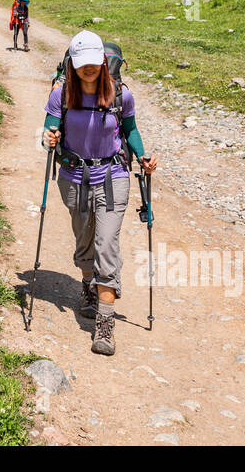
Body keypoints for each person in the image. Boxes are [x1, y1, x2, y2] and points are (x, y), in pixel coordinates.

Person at [42, 30, 158, 355]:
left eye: (94, 62)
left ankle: (105, 326)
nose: (88, 68)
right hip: (74, 175)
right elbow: (48, 131)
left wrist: (144, 155)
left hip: (113, 174)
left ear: (104, 62)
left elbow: (131, 131)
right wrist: (48, 139)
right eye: (82, 64)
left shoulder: (122, 95)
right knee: (84, 240)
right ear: (72, 65)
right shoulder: (61, 93)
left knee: (107, 243)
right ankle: (87, 283)